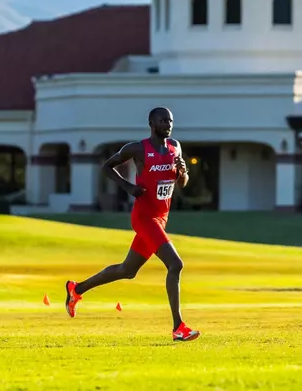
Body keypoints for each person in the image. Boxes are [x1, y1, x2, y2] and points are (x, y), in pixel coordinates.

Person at [64, 107, 200, 342]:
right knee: (175, 264)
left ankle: (76, 289)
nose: (168, 124)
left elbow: (182, 182)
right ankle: (179, 327)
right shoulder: (138, 148)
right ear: (151, 123)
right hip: (144, 218)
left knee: (127, 270)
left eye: (170, 120)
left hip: (161, 218)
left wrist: (183, 171)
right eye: (162, 120)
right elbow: (107, 166)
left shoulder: (175, 147)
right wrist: (128, 187)